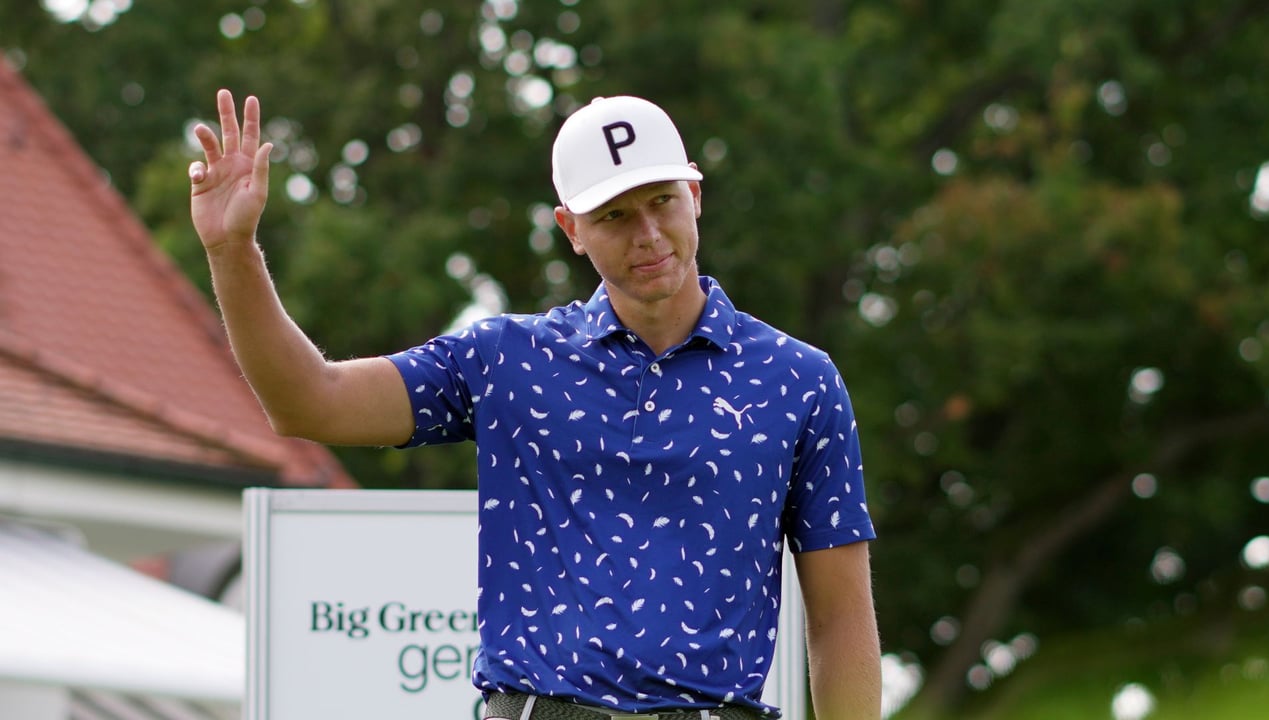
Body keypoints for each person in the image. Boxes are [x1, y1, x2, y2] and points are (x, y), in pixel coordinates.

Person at [189, 89, 880, 720]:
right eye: (613, 215)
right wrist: (232, 249)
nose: (646, 233)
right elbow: (313, 402)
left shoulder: (798, 380)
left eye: (661, 201)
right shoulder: (507, 361)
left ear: (695, 194)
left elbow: (841, 618)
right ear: (571, 229)